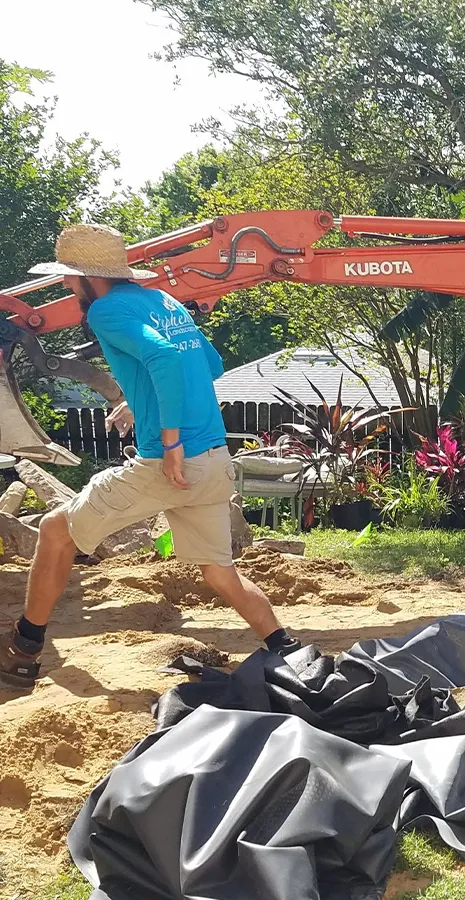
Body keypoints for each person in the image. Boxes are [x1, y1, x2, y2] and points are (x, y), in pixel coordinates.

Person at [0, 224, 299, 691]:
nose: (64, 284)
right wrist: (138, 402)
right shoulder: (164, 301)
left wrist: (172, 440)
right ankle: (289, 652)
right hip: (215, 460)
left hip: (168, 464)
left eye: (68, 276)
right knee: (222, 575)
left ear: (87, 277)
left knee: (57, 533)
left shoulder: (105, 310)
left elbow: (162, 359)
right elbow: (208, 363)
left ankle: (23, 650)